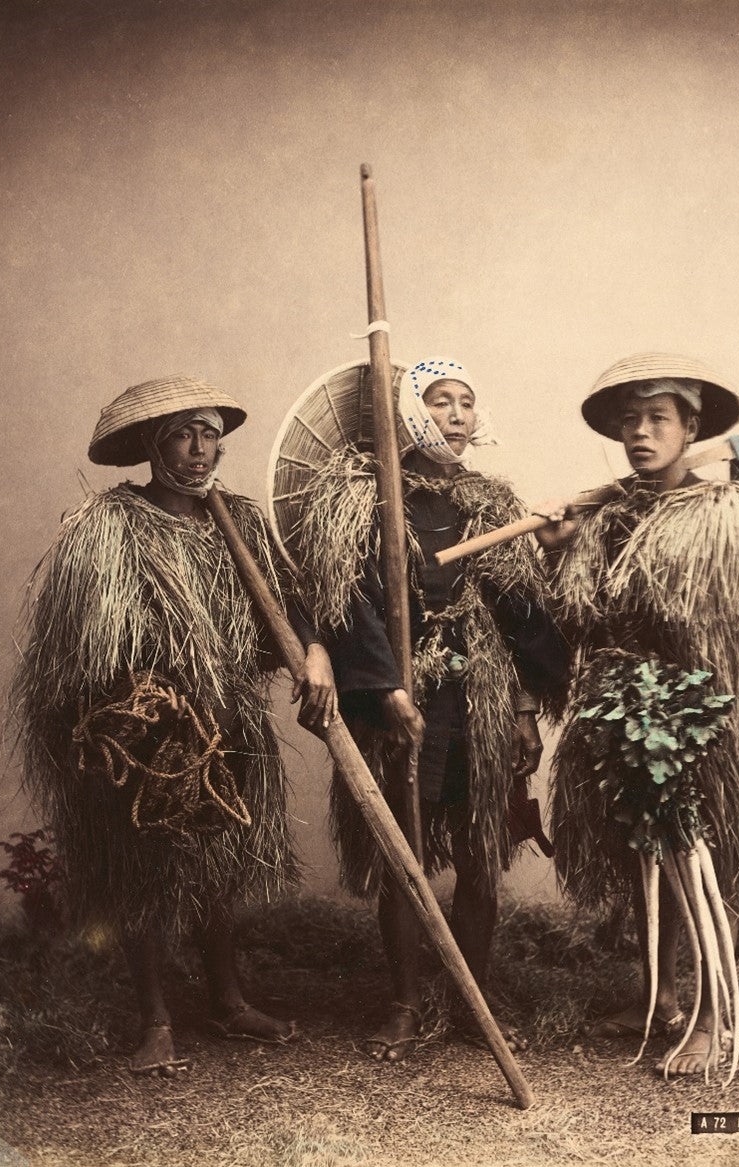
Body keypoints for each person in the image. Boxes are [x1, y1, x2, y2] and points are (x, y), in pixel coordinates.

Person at [11, 375, 336, 1076]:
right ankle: (155, 1017)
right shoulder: (110, 526)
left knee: (217, 860)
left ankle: (227, 999)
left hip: (230, 720)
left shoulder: (241, 520)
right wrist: (141, 707)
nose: (199, 448)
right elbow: (87, 644)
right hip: (149, 731)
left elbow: (288, 605)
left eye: (210, 432)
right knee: (143, 867)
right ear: (152, 442)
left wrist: (313, 652)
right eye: (184, 433)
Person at [293, 358, 568, 1063]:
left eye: (466, 402)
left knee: (480, 850)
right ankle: (404, 1001)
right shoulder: (363, 496)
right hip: (401, 692)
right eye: (438, 400)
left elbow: (522, 612)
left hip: (480, 691)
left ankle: (471, 999)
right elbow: (344, 597)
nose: (454, 412)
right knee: (402, 852)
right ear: (409, 412)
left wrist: (524, 709)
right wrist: (384, 688)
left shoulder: (491, 502)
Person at [534, 353, 739, 1076]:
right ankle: (659, 996)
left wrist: (678, 699)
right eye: (629, 420)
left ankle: (712, 1021)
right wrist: (559, 556)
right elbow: (579, 624)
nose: (640, 432)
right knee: (641, 862)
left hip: (694, 714)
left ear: (690, 427)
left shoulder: (722, 511)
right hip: (616, 711)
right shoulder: (607, 515)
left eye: (657, 418)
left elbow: (732, 623)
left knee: (699, 861)